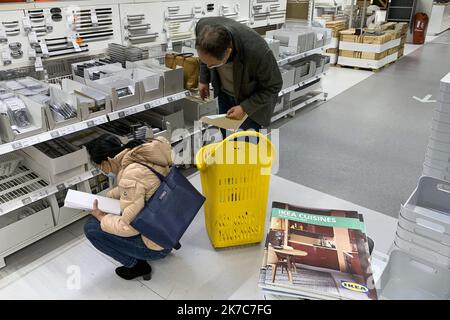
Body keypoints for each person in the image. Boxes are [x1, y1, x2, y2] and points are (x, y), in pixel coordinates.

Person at [83, 134, 173, 281]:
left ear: (106, 162)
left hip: (158, 245)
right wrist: (107, 198)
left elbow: (128, 228)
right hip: (171, 229)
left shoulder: (130, 176)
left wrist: (101, 217)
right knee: (115, 215)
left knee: (92, 228)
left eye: (100, 168)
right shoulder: (142, 156)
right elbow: (140, 186)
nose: (104, 171)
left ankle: (137, 266)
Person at [195, 16, 283, 136]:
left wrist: (245, 108)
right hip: (224, 94)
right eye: (206, 63)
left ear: (228, 52)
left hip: (250, 99)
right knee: (227, 137)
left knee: (245, 144)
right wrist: (203, 79)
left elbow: (274, 85)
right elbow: (205, 58)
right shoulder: (203, 28)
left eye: (213, 65)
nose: (207, 66)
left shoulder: (258, 52)